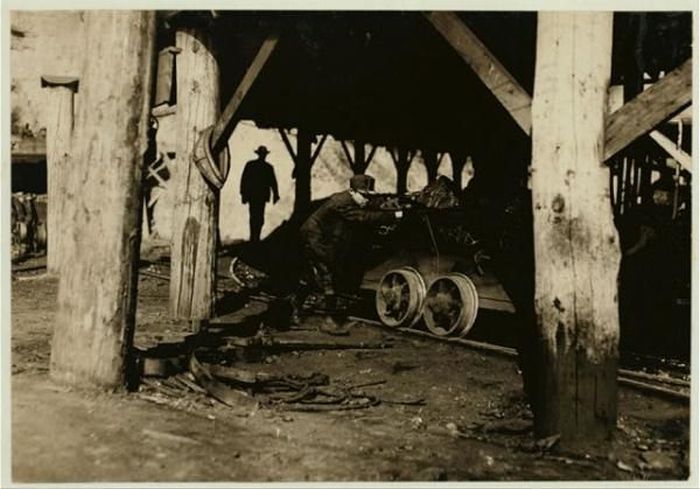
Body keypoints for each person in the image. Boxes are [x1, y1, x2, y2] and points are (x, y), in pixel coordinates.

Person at [291, 174, 405, 335]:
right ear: (353, 191)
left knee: (310, 277)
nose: (367, 200)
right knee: (328, 277)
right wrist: (395, 215)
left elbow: (369, 205)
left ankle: (294, 309)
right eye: (364, 196)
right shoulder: (342, 202)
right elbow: (362, 217)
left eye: (369, 196)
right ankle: (328, 322)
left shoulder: (353, 199)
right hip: (314, 238)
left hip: (325, 239)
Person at [240, 145, 279, 242]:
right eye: (262, 154)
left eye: (264, 154)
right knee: (257, 216)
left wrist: (276, 195)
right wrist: (243, 194)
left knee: (256, 216)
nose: (263, 156)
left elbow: (273, 183)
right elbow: (244, 180)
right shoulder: (266, 167)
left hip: (256, 196)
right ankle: (254, 237)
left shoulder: (254, 165)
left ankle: (255, 237)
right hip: (257, 196)